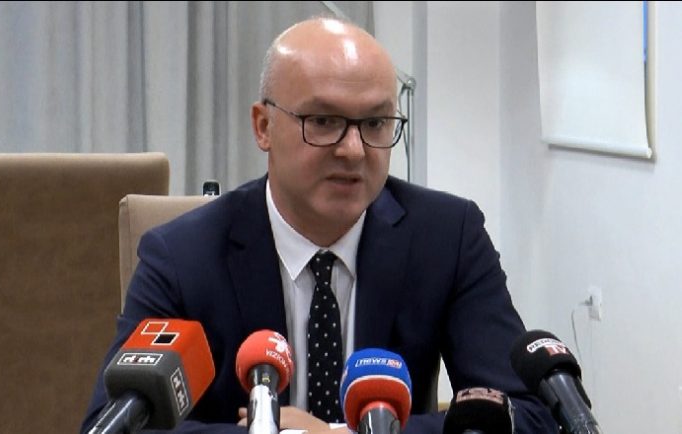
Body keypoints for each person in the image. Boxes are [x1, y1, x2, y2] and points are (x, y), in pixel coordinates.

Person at [81, 17, 558, 434]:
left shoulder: (448, 238)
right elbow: (114, 424)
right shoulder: (183, 255)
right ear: (263, 126)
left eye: (375, 124)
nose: (353, 150)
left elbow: (530, 415)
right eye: (324, 121)